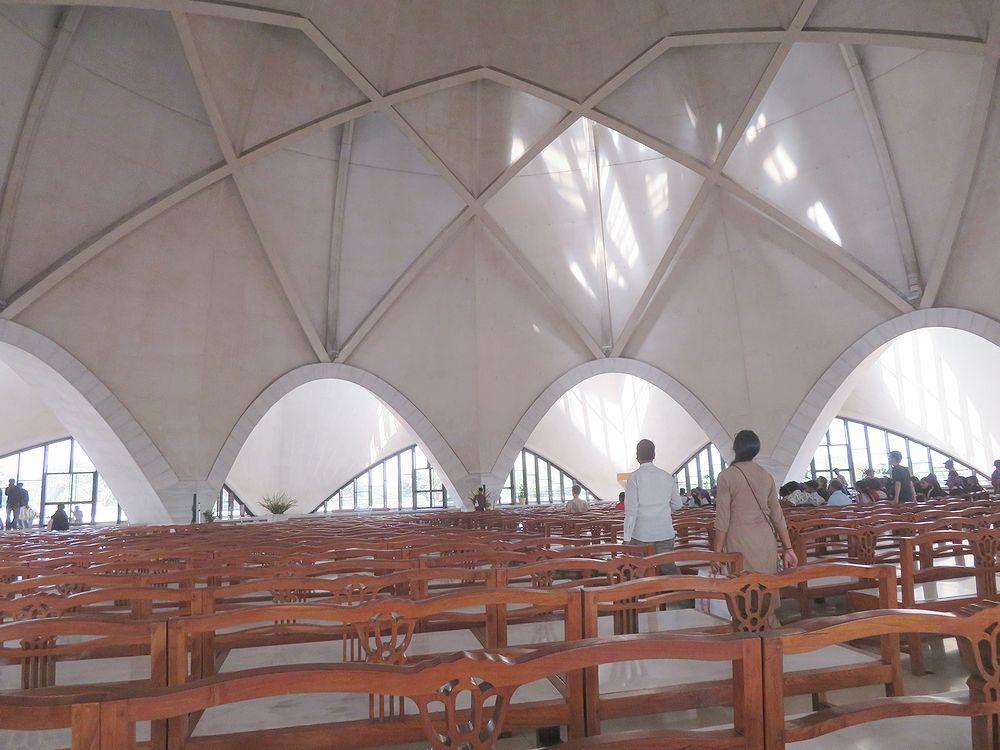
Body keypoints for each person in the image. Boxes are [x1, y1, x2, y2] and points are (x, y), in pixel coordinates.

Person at [712, 430, 797, 578]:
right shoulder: (766, 475)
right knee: (767, 584)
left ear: (735, 449)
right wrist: (788, 548)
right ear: (756, 450)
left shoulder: (726, 476)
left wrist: (717, 554)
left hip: (739, 541)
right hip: (765, 540)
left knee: (742, 585)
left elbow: (722, 519)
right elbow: (777, 515)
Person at [624, 439, 683, 574]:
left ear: (637, 456)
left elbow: (631, 511)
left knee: (641, 571)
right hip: (665, 531)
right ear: (654, 455)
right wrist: (663, 509)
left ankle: (644, 587)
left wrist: (627, 538)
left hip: (642, 533)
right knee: (668, 569)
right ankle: (678, 587)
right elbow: (678, 505)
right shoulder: (667, 476)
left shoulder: (634, 477)